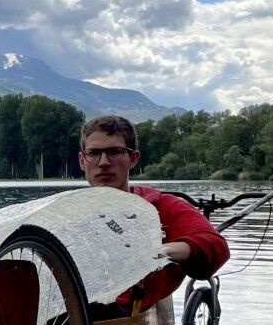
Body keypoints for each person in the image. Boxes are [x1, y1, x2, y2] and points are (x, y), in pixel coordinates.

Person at [78, 114, 229, 314]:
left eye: (115, 152)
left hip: (122, 312)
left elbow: (215, 246)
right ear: (82, 161)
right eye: (94, 153)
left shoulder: (161, 206)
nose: (104, 162)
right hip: (71, 313)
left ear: (133, 158)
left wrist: (157, 252)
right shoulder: (63, 212)